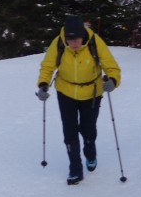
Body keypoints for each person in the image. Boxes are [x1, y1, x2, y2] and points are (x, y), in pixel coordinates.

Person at [37, 15, 122, 185]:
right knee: (70, 130)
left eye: (77, 40)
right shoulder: (59, 43)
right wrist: (43, 84)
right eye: (70, 40)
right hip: (65, 91)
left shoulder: (94, 42)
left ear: (83, 35)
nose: (74, 44)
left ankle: (90, 151)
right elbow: (47, 66)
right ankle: (75, 168)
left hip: (92, 92)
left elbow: (111, 66)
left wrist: (112, 80)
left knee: (88, 129)